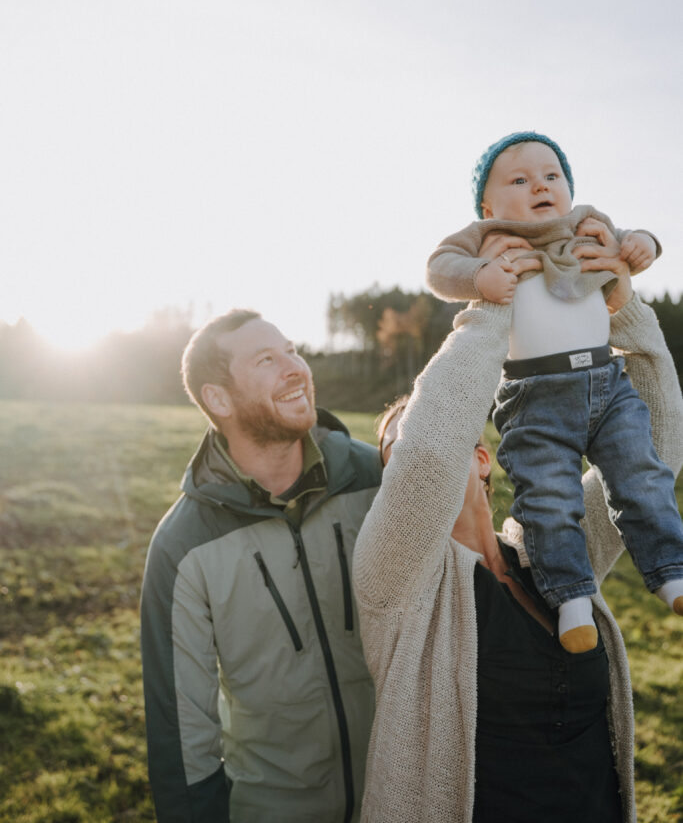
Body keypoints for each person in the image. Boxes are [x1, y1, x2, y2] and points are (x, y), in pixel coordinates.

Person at [353, 255, 683, 823]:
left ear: (483, 458)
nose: (409, 454)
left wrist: (620, 309)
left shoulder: (550, 545)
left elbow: (654, 447)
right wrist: (496, 302)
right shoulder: (394, 581)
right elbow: (429, 452)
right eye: (394, 450)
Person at [426, 131, 683, 650]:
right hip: (534, 395)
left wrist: (642, 245)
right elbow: (438, 268)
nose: (540, 186)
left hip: (606, 382)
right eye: (519, 179)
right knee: (548, 499)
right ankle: (571, 601)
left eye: (551, 176)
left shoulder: (587, 224)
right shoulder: (488, 238)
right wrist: (481, 275)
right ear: (488, 204)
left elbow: (640, 241)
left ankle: (672, 572)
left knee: (642, 473)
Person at [140, 309, 382, 823]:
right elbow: (183, 733)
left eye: (293, 350)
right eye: (268, 360)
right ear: (219, 399)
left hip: (406, 792)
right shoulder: (183, 547)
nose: (296, 367)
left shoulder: (375, 479)